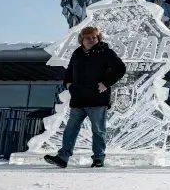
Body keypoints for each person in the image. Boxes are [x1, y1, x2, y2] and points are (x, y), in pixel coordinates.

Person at [44, 26, 127, 168]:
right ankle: (63, 158)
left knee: (98, 130)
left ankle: (98, 159)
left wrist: (106, 83)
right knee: (70, 129)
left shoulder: (106, 52)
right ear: (81, 39)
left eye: (94, 37)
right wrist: (68, 84)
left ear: (98, 38)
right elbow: (69, 71)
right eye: (88, 37)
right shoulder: (77, 54)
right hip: (78, 99)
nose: (91, 40)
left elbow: (121, 68)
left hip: (97, 99)